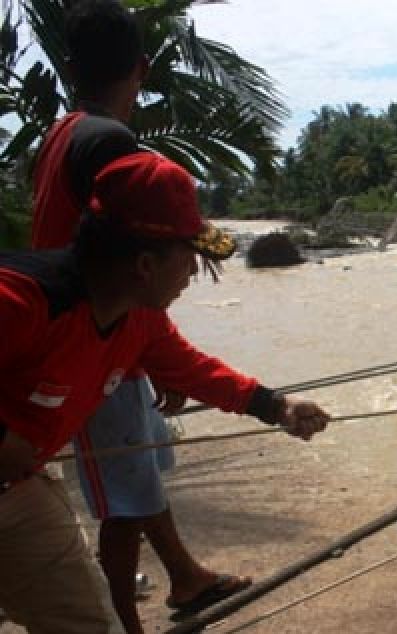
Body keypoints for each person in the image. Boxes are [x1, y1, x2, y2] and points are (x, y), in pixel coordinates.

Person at [0, 151, 332, 633]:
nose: (195, 274)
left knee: (88, 623)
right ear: (144, 264)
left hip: (19, 490)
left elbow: (194, 370)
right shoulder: (22, 299)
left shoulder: (139, 317)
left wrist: (278, 406)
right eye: (190, 258)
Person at [29, 2, 252, 631]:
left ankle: (184, 575)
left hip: (94, 329)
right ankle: (127, 623)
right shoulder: (112, 144)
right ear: (144, 67)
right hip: (90, 338)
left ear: (70, 68)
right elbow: (124, 252)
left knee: (141, 470)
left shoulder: (63, 133)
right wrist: (147, 349)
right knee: (124, 497)